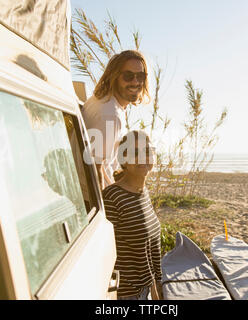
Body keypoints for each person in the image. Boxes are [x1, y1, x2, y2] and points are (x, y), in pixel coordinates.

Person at [102, 130, 162, 300]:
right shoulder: (112, 197)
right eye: (136, 152)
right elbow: (106, 251)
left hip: (146, 290)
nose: (144, 157)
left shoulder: (143, 192)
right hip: (127, 293)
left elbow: (147, 251)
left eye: (148, 151)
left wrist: (155, 288)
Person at [82, 50, 150, 189]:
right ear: (114, 76)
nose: (135, 82)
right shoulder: (110, 114)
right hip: (98, 197)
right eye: (128, 76)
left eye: (140, 76)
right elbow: (95, 169)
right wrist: (103, 207)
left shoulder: (102, 101)